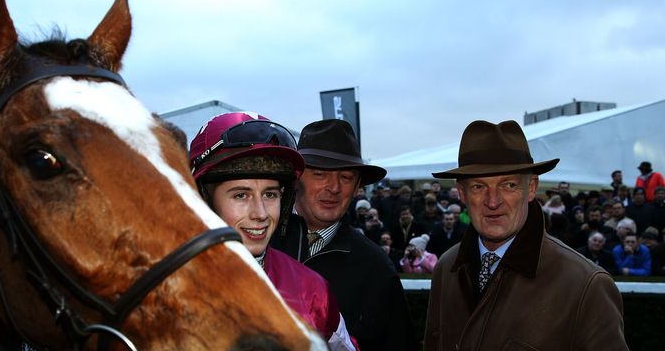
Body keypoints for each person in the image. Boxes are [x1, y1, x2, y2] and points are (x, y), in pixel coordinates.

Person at [424, 120, 627, 350]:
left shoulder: (585, 284)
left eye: (508, 185)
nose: (493, 201)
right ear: (461, 193)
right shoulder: (446, 269)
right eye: (478, 187)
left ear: (531, 188)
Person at [188, 112, 357, 349]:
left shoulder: (312, 290)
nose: (260, 213)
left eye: (270, 194)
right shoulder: (163, 292)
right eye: (241, 195)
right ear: (204, 200)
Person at [271, 119, 416, 350]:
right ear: (295, 179)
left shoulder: (375, 268)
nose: (334, 187)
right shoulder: (257, 245)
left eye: (346, 177)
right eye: (320, 174)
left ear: (357, 185)